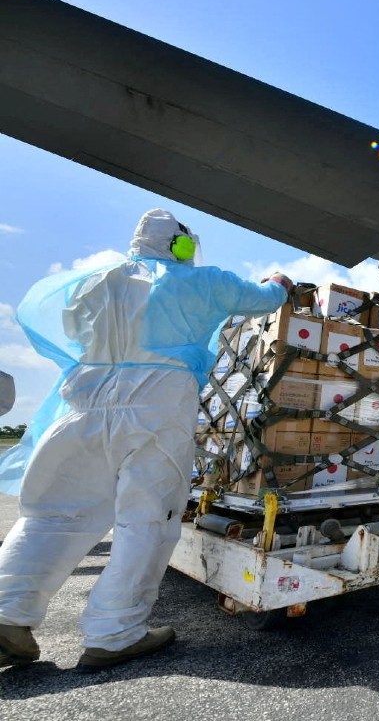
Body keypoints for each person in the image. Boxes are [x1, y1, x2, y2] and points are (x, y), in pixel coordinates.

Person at [0, 209, 291, 672]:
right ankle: (115, 634)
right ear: (180, 245)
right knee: (147, 520)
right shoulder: (204, 282)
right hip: (156, 401)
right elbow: (265, 298)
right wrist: (280, 282)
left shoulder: (96, 283)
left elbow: (78, 333)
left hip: (84, 401)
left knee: (53, 514)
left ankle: (6, 614)